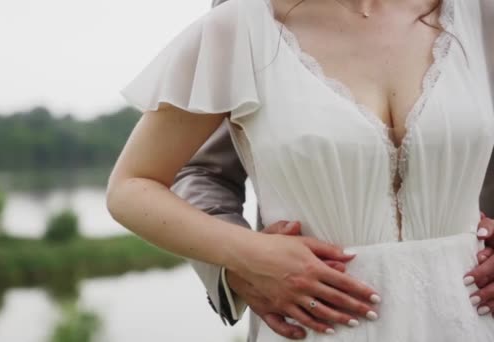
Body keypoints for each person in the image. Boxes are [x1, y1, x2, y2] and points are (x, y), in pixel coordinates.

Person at [107, 0, 494, 340]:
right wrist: (249, 256)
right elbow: (135, 185)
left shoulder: (479, 15)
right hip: (319, 323)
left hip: (471, 319)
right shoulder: (241, 26)